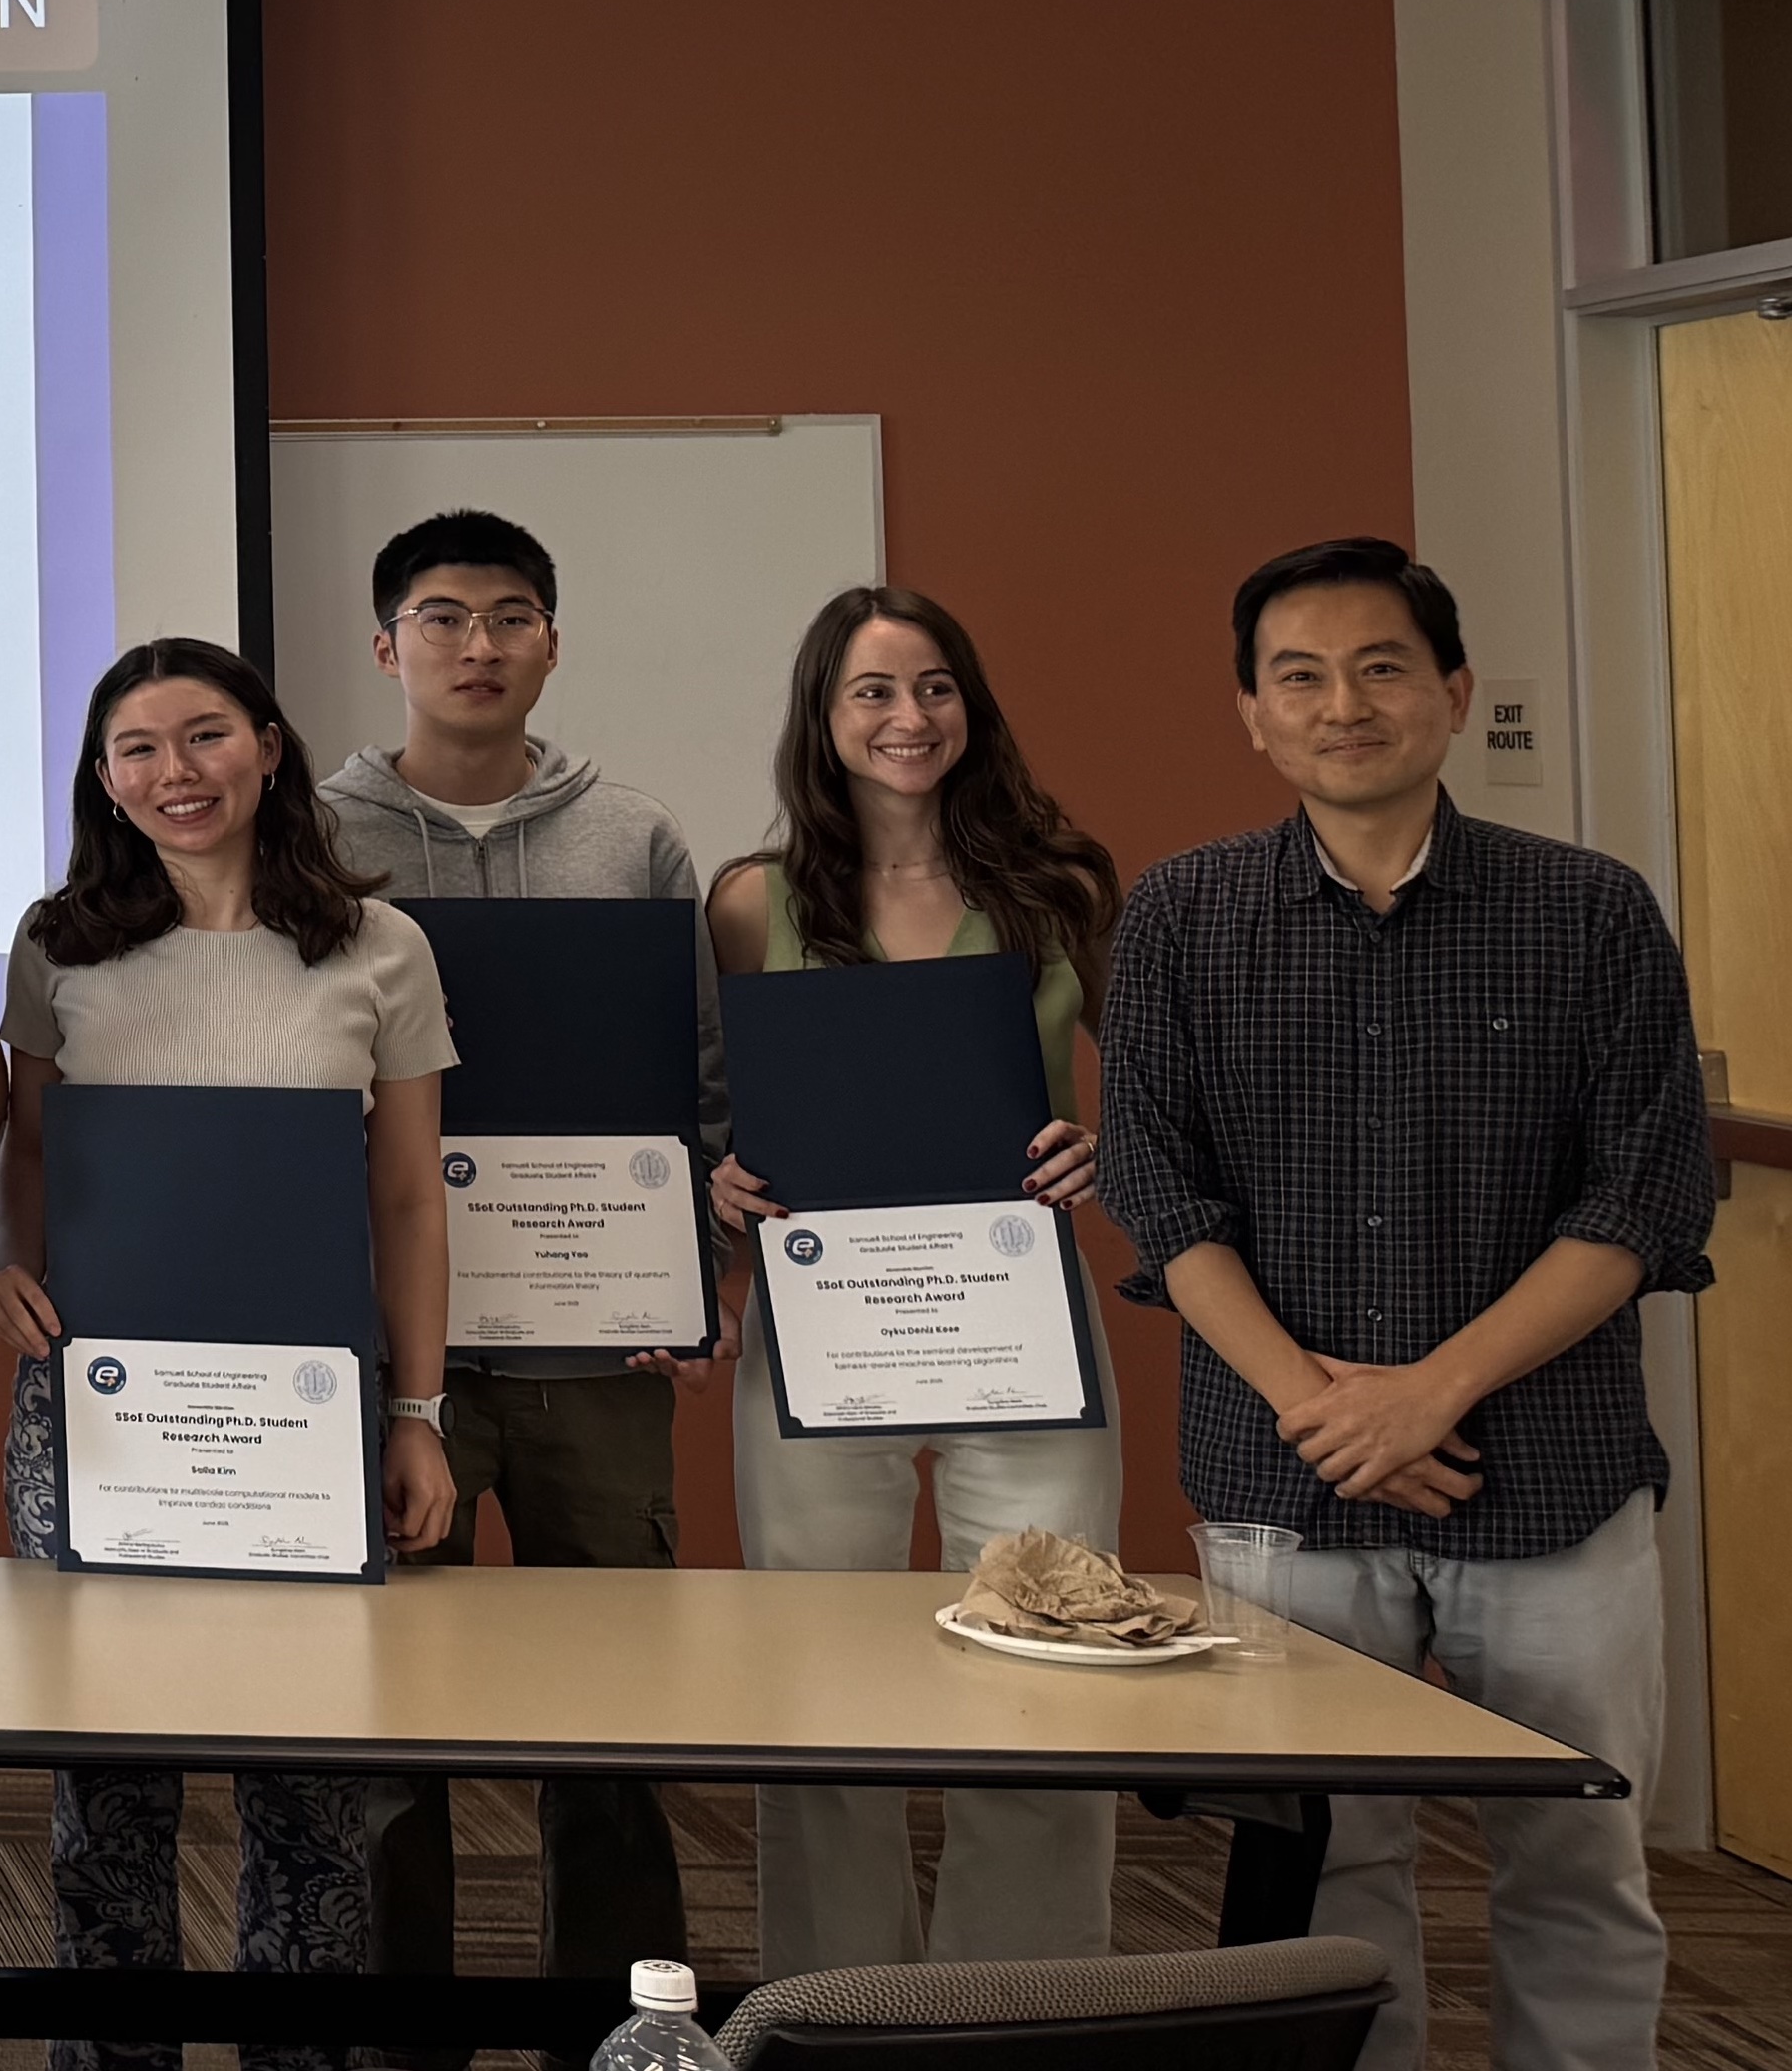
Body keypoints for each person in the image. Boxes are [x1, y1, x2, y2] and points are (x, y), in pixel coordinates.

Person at [1097, 538, 1713, 2071]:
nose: (1341, 703)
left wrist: (1423, 1395)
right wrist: (1336, 1413)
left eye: (1381, 667)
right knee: (1324, 1871)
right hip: (1287, 1488)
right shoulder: (1180, 917)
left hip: (1551, 1478)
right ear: (1251, 711)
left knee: (1580, 1863)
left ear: (1451, 693)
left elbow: (1639, 1202)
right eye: (1297, 674)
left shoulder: (1592, 912)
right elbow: (1164, 1199)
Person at [0, 637, 458, 2071]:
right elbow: (30, 1145)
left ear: (267, 746)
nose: (173, 773)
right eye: (137, 748)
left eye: (203, 737)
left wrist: (419, 1408)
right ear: (103, 778)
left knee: (305, 1786)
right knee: (107, 1782)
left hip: (304, 1415)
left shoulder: (380, 947)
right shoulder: (58, 941)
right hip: (100, 1407)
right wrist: (7, 1267)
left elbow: (405, 1192)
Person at [307, 509, 700, 1998]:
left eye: (512, 616)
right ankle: (408, 2026)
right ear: (386, 642)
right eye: (445, 616)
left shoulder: (635, 836)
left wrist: (695, 1286)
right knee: (392, 1718)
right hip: (387, 1344)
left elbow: (696, 1085)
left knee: (615, 1716)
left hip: (595, 1347)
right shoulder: (320, 841)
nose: (479, 645)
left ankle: (619, 2021)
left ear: (552, 639)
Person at [707, 587, 1125, 1973]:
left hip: (1022, 1318)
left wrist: (1101, 1152)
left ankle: (1021, 2001)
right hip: (823, 1326)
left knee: (1049, 1663)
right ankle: (838, 2002)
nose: (908, 718)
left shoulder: (1060, 885)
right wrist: (718, 1182)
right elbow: (715, 1114)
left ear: (973, 709)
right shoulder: (751, 900)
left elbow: (1157, 1099)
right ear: (823, 721)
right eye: (875, 693)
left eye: (936, 687)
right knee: (822, 1683)